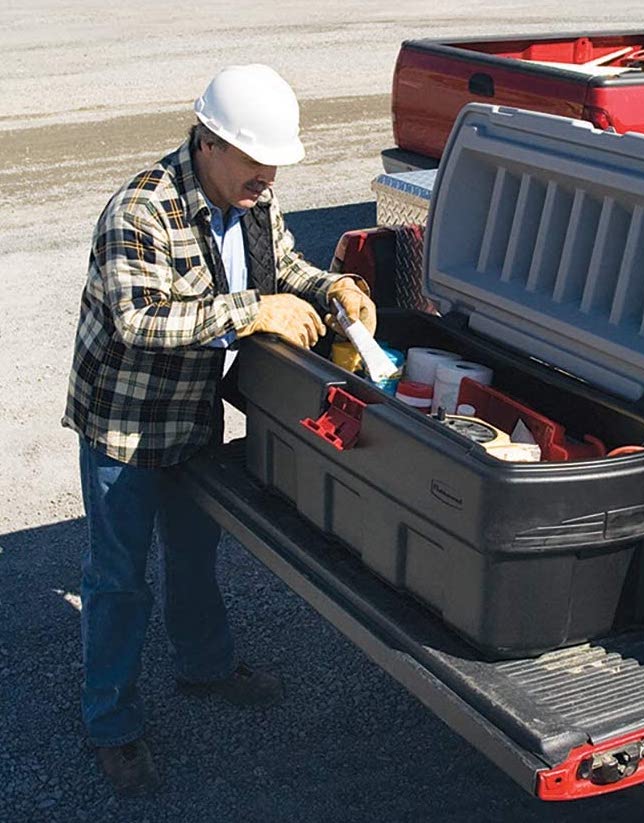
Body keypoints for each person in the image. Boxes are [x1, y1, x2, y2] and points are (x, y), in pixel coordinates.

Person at [62, 64, 376, 796]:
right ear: (207, 142)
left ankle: (204, 667)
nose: (267, 174)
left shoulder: (252, 198)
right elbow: (139, 320)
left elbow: (283, 265)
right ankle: (111, 724)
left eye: (273, 162)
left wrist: (332, 286)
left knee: (196, 553)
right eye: (254, 159)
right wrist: (249, 313)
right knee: (118, 578)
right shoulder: (138, 211)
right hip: (127, 425)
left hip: (194, 415)